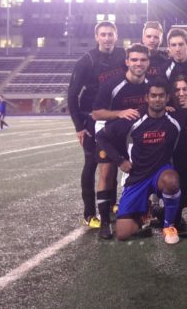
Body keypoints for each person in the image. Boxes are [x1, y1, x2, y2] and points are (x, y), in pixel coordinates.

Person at [95, 80, 182, 243]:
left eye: (161, 96)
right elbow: (101, 136)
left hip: (160, 173)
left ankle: (169, 226)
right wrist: (120, 160)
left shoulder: (174, 122)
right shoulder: (133, 120)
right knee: (123, 234)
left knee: (171, 180)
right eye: (153, 96)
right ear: (146, 98)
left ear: (167, 98)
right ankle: (144, 213)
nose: (157, 99)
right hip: (137, 176)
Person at [67, 21, 126, 230]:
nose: (107, 38)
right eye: (103, 34)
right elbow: (72, 95)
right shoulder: (86, 61)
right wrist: (78, 126)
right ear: (96, 37)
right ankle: (89, 213)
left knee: (111, 161)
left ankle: (109, 206)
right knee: (91, 163)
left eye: (111, 34)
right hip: (90, 119)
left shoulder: (123, 56)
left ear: (116, 36)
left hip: (115, 118)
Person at [91, 43, 152, 239]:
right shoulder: (112, 84)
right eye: (134, 59)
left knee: (136, 173)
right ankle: (105, 221)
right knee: (107, 173)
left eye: (142, 60)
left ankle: (136, 213)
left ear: (148, 62)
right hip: (107, 133)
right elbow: (96, 113)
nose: (138, 63)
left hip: (131, 135)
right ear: (127, 62)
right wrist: (120, 113)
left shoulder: (150, 84)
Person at [167, 76, 187, 230]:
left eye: (184, 89)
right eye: (177, 90)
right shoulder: (167, 114)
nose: (181, 93)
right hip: (175, 162)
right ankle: (161, 212)